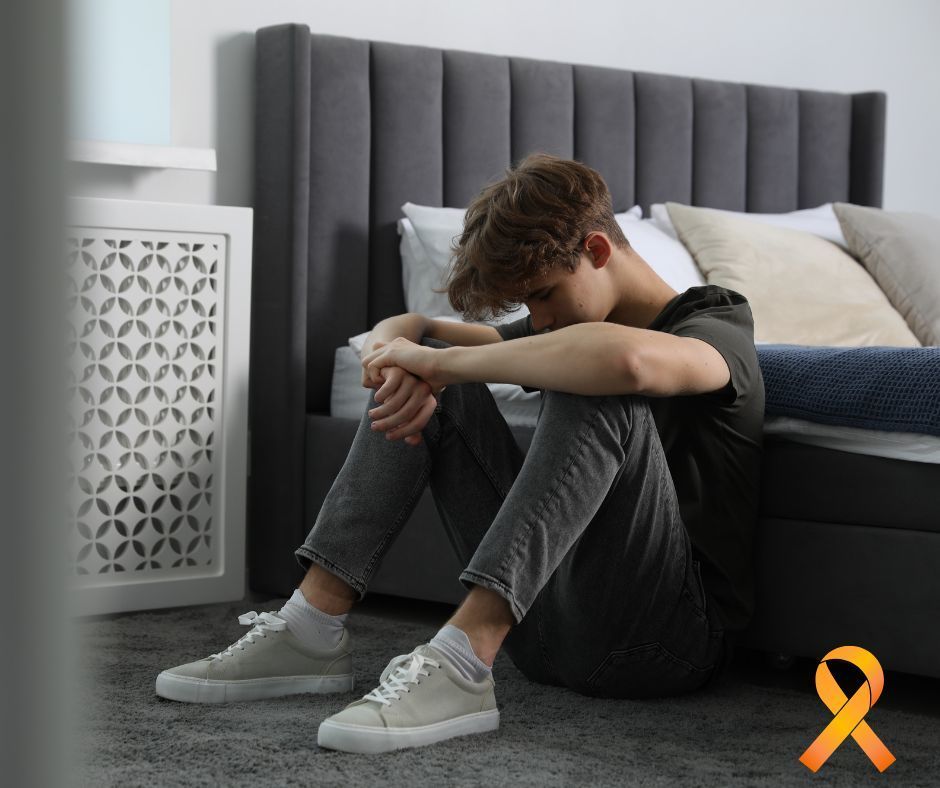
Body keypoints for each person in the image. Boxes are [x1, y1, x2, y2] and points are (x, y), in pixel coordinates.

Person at [155, 153, 765, 755]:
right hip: (546, 631)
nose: (540, 319)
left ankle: (461, 660)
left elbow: (628, 362)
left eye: (544, 295)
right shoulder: (564, 321)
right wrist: (397, 351)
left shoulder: (717, 327)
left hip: (664, 644)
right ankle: (310, 627)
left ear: (598, 252)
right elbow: (420, 331)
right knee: (441, 380)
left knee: (593, 376)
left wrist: (439, 362)